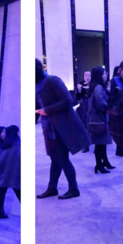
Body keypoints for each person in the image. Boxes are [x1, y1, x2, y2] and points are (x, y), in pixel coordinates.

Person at [36, 58, 90, 200]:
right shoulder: (37, 85)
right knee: (55, 158)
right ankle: (52, 188)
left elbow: (67, 100)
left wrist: (46, 110)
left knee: (62, 158)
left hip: (62, 127)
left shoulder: (52, 80)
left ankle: (73, 189)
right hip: (50, 128)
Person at [87, 66, 114, 173]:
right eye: (104, 73)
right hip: (99, 119)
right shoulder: (98, 87)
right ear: (99, 75)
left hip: (98, 119)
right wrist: (109, 108)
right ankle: (99, 165)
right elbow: (100, 103)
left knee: (101, 143)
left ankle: (103, 163)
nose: (106, 75)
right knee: (100, 144)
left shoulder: (95, 86)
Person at [0, 125, 21, 218]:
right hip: (16, 173)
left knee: (0, 191)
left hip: (3, 172)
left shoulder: (4, 146)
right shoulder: (18, 145)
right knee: (19, 191)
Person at [109, 61, 123, 156]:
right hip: (118, 107)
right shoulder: (115, 80)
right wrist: (117, 92)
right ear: (120, 69)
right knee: (119, 129)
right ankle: (120, 149)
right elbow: (111, 95)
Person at [75, 70, 91, 153]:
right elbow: (77, 97)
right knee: (84, 125)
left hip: (92, 106)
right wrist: (79, 90)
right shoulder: (81, 84)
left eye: (89, 75)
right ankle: (85, 145)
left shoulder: (94, 85)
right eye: (86, 75)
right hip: (83, 107)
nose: (87, 77)